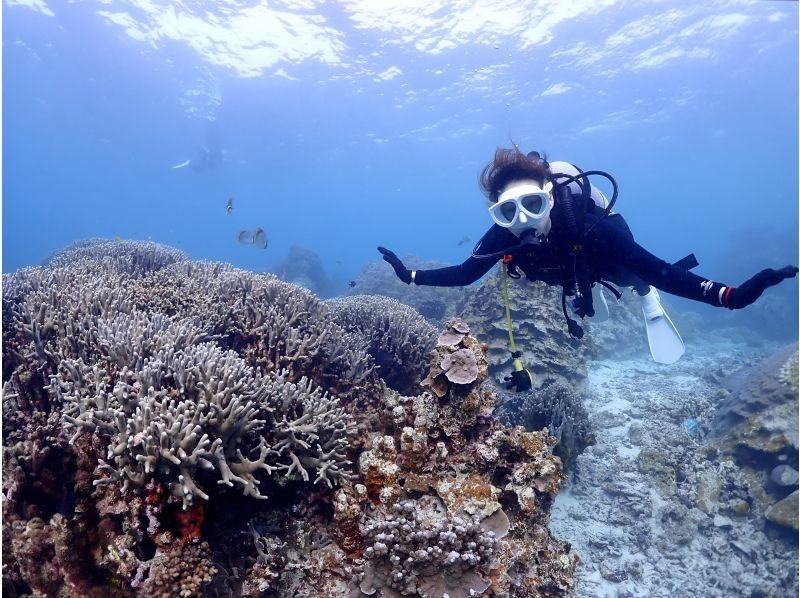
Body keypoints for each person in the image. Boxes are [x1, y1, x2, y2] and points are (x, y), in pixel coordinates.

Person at [378, 147, 797, 367]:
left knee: (637, 274)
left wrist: (731, 296)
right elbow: (466, 274)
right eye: (508, 212)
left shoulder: (592, 224)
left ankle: (643, 298)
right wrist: (408, 276)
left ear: (549, 198)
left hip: (599, 258)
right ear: (497, 214)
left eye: (532, 205)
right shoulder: (503, 233)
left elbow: (663, 270)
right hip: (562, 274)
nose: (522, 221)